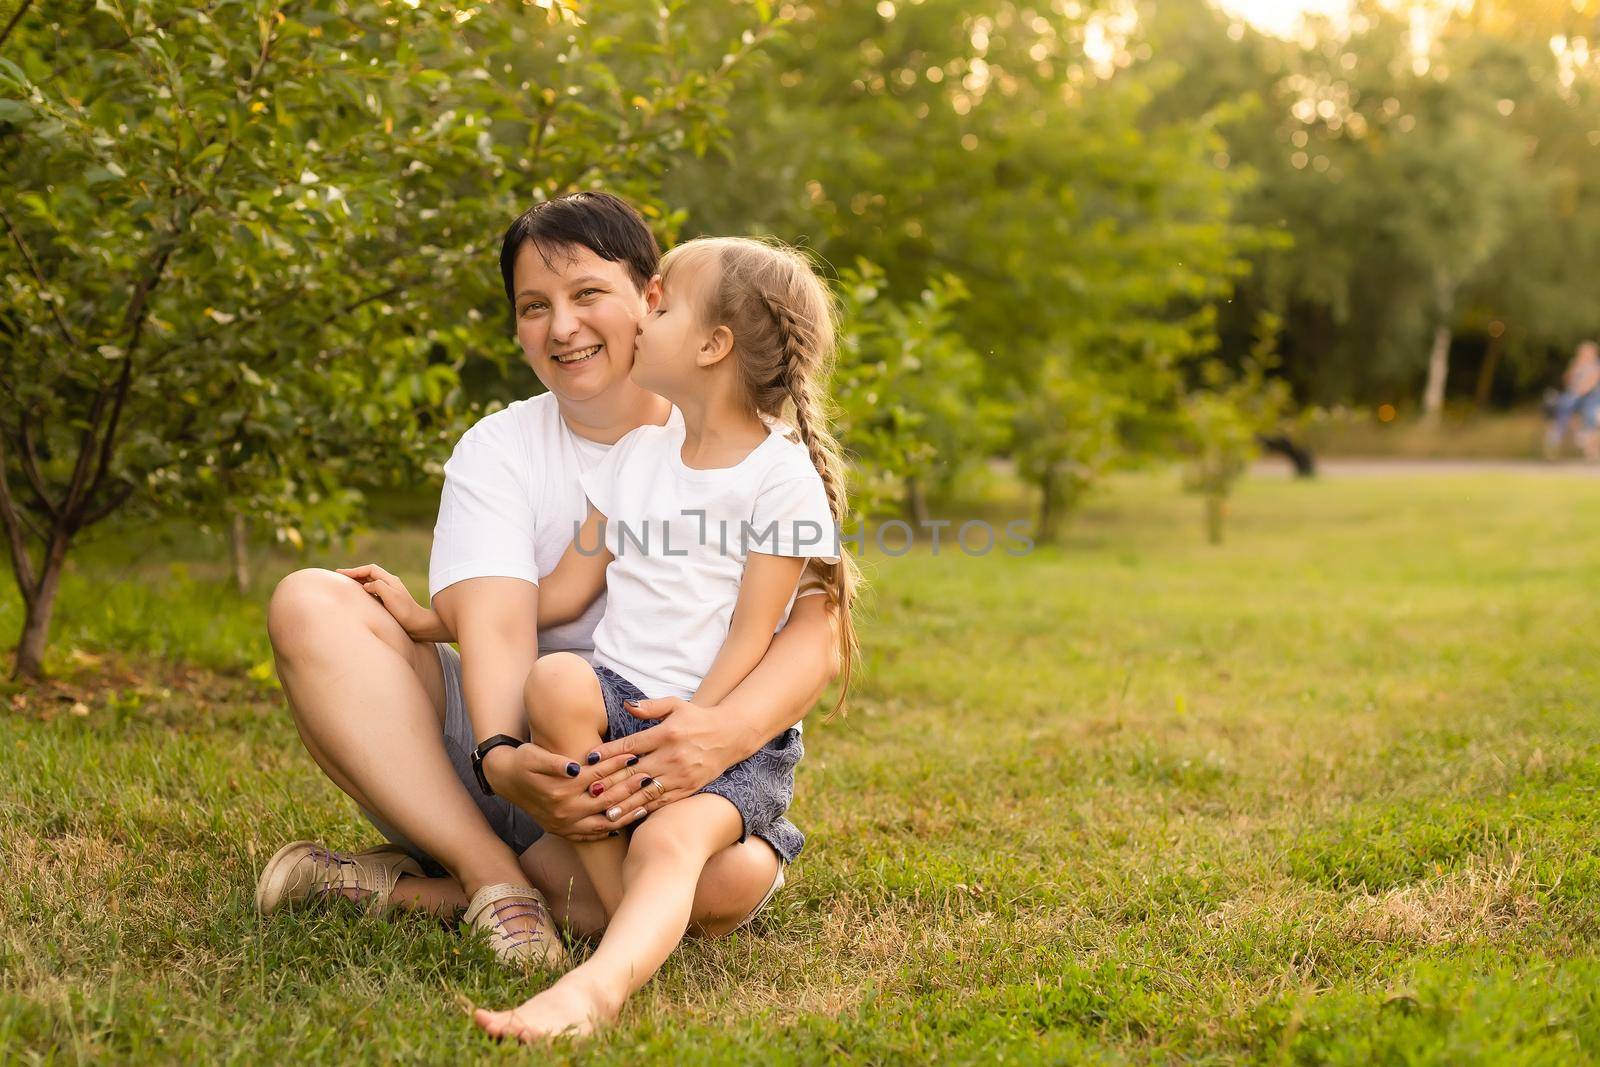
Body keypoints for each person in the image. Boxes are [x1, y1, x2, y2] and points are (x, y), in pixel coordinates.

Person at [256, 194, 841, 965]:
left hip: (674, 763)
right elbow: (514, 614)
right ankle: (497, 880)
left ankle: (411, 893)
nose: (561, 326)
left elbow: (813, 634)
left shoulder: (752, 453)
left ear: (652, 299)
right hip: (528, 755)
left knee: (729, 880)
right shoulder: (503, 448)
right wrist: (501, 751)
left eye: (588, 294)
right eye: (534, 306)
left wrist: (711, 734)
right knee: (309, 599)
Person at [396, 235, 857, 1039]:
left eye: (662, 304)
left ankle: (595, 989)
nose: (643, 315)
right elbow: (567, 589)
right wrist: (436, 618)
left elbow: (757, 631)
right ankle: (623, 917)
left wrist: (698, 729)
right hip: (620, 702)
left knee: (679, 837)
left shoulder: (778, 477)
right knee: (555, 684)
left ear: (713, 346)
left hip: (724, 731)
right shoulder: (640, 455)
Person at [1543, 340, 1600, 461]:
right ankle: (1555, 438)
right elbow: (1567, 380)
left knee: (1590, 418)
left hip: (1591, 399)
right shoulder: (1576, 363)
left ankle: (1590, 450)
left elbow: (1591, 383)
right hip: (1575, 396)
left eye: (1586, 352)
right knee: (1563, 410)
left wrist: (1577, 392)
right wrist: (1575, 367)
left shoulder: (1596, 365)